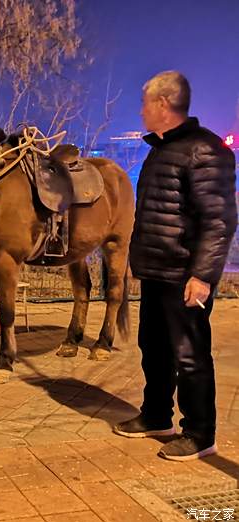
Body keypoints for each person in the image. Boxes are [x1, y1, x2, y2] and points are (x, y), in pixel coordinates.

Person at [114, 71, 237, 461]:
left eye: (145, 103)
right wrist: (140, 261)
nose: (141, 111)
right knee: (153, 346)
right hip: (157, 270)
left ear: (163, 104)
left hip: (185, 275)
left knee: (190, 354)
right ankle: (156, 416)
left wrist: (203, 276)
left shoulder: (205, 151)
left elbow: (219, 220)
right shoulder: (161, 149)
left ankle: (200, 433)